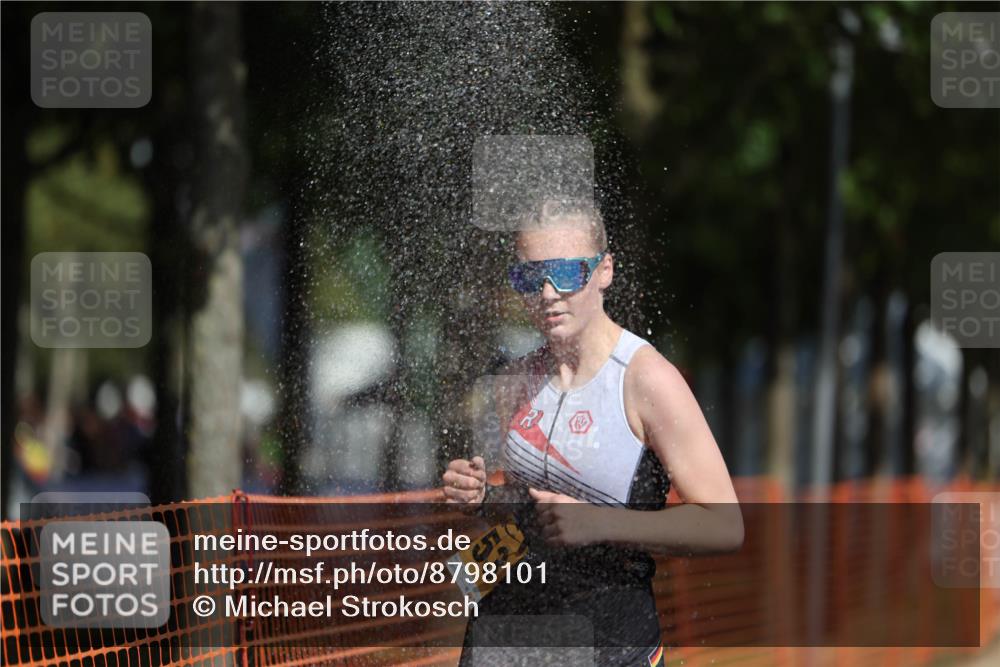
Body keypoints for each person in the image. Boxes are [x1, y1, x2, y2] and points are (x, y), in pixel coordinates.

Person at [443, 198, 743, 666]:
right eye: (530, 276)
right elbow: (524, 520)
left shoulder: (646, 380)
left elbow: (725, 525)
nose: (547, 293)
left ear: (604, 271)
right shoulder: (517, 380)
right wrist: (479, 496)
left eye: (567, 272)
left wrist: (600, 522)